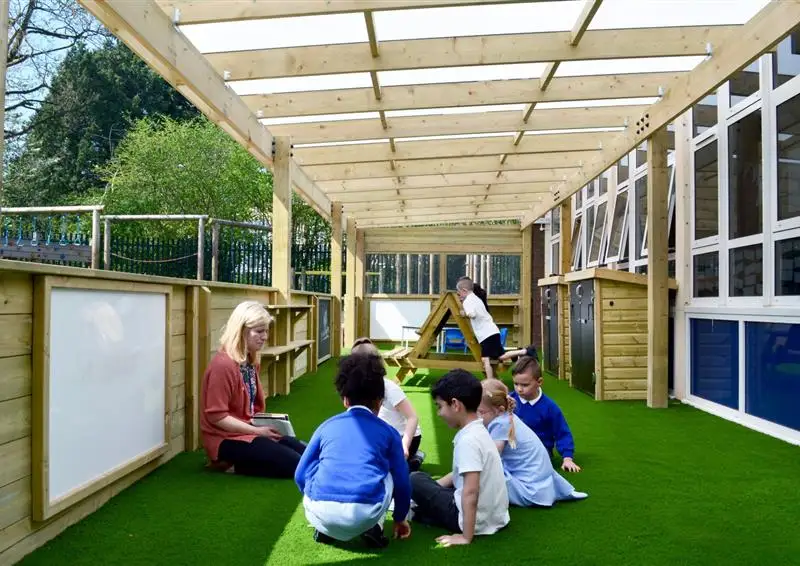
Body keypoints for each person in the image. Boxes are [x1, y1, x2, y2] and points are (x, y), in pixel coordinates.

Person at [295, 353, 412, 548]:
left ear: (344, 399)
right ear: (380, 401)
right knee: (391, 472)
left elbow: (300, 474)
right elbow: (402, 483)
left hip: (319, 509)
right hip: (364, 512)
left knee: (317, 465)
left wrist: (316, 498)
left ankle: (324, 527)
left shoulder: (326, 426)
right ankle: (376, 526)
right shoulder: (389, 432)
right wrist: (400, 518)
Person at [200, 301, 306, 477]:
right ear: (241, 331)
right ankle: (227, 465)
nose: (264, 336)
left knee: (303, 451)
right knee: (294, 464)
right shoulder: (223, 366)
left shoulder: (250, 361)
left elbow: (249, 408)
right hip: (225, 439)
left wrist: (267, 426)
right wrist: (257, 432)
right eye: (259, 331)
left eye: (266, 331)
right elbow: (216, 416)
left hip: (248, 430)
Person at [410, 369, 509, 547]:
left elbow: (471, 492)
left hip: (472, 520)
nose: (439, 413)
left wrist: (466, 536)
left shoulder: (468, 441)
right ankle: (421, 512)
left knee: (414, 479)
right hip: (494, 515)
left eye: (440, 406)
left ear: (455, 404)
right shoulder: (480, 430)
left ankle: (419, 512)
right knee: (429, 486)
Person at [478, 379, 587, 507]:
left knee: (484, 475)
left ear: (499, 409)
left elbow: (491, 458)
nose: (476, 416)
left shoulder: (500, 423)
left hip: (529, 490)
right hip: (539, 484)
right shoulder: (507, 416)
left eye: (480, 412)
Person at [351, 337, 425, 471]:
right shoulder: (358, 387)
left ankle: (413, 459)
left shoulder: (389, 388)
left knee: (380, 467)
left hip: (402, 436)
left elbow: (413, 417)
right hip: (380, 434)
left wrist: (404, 445)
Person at [510, 356, 582, 473]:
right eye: (515, 384)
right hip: (512, 448)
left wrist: (567, 458)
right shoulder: (509, 400)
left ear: (539, 382)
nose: (519, 389)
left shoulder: (549, 407)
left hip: (540, 451)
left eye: (524, 385)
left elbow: (562, 432)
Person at [456, 277, 504, 380]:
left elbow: (472, 314)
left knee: (485, 360)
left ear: (464, 291)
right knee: (500, 356)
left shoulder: (467, 301)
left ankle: (490, 381)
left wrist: (464, 313)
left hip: (486, 334)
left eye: (459, 293)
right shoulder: (476, 298)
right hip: (493, 331)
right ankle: (523, 352)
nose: (459, 296)